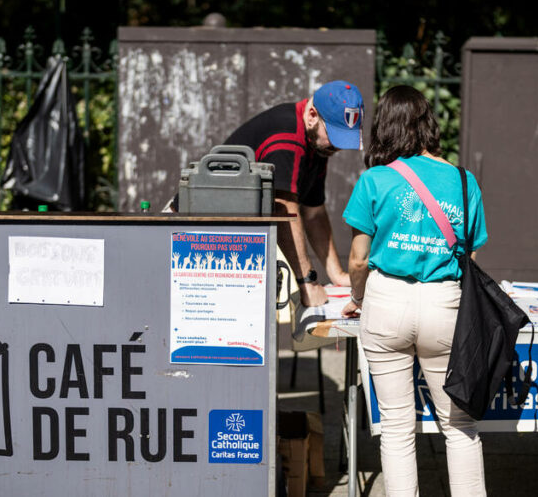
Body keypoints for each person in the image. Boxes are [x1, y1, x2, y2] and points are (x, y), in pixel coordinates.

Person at [340, 85, 488, 496]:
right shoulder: (463, 180)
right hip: (445, 303)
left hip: (387, 301)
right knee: (459, 425)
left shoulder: (374, 180)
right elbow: (470, 258)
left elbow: (357, 260)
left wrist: (358, 300)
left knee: (397, 429)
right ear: (429, 124)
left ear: (383, 126)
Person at [172, 80, 364, 307]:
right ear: (312, 115)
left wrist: (337, 275)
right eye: (334, 136)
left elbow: (314, 212)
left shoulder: (317, 142)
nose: (338, 147)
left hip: (226, 242)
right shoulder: (289, 136)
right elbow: (284, 208)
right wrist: (307, 282)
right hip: (192, 237)